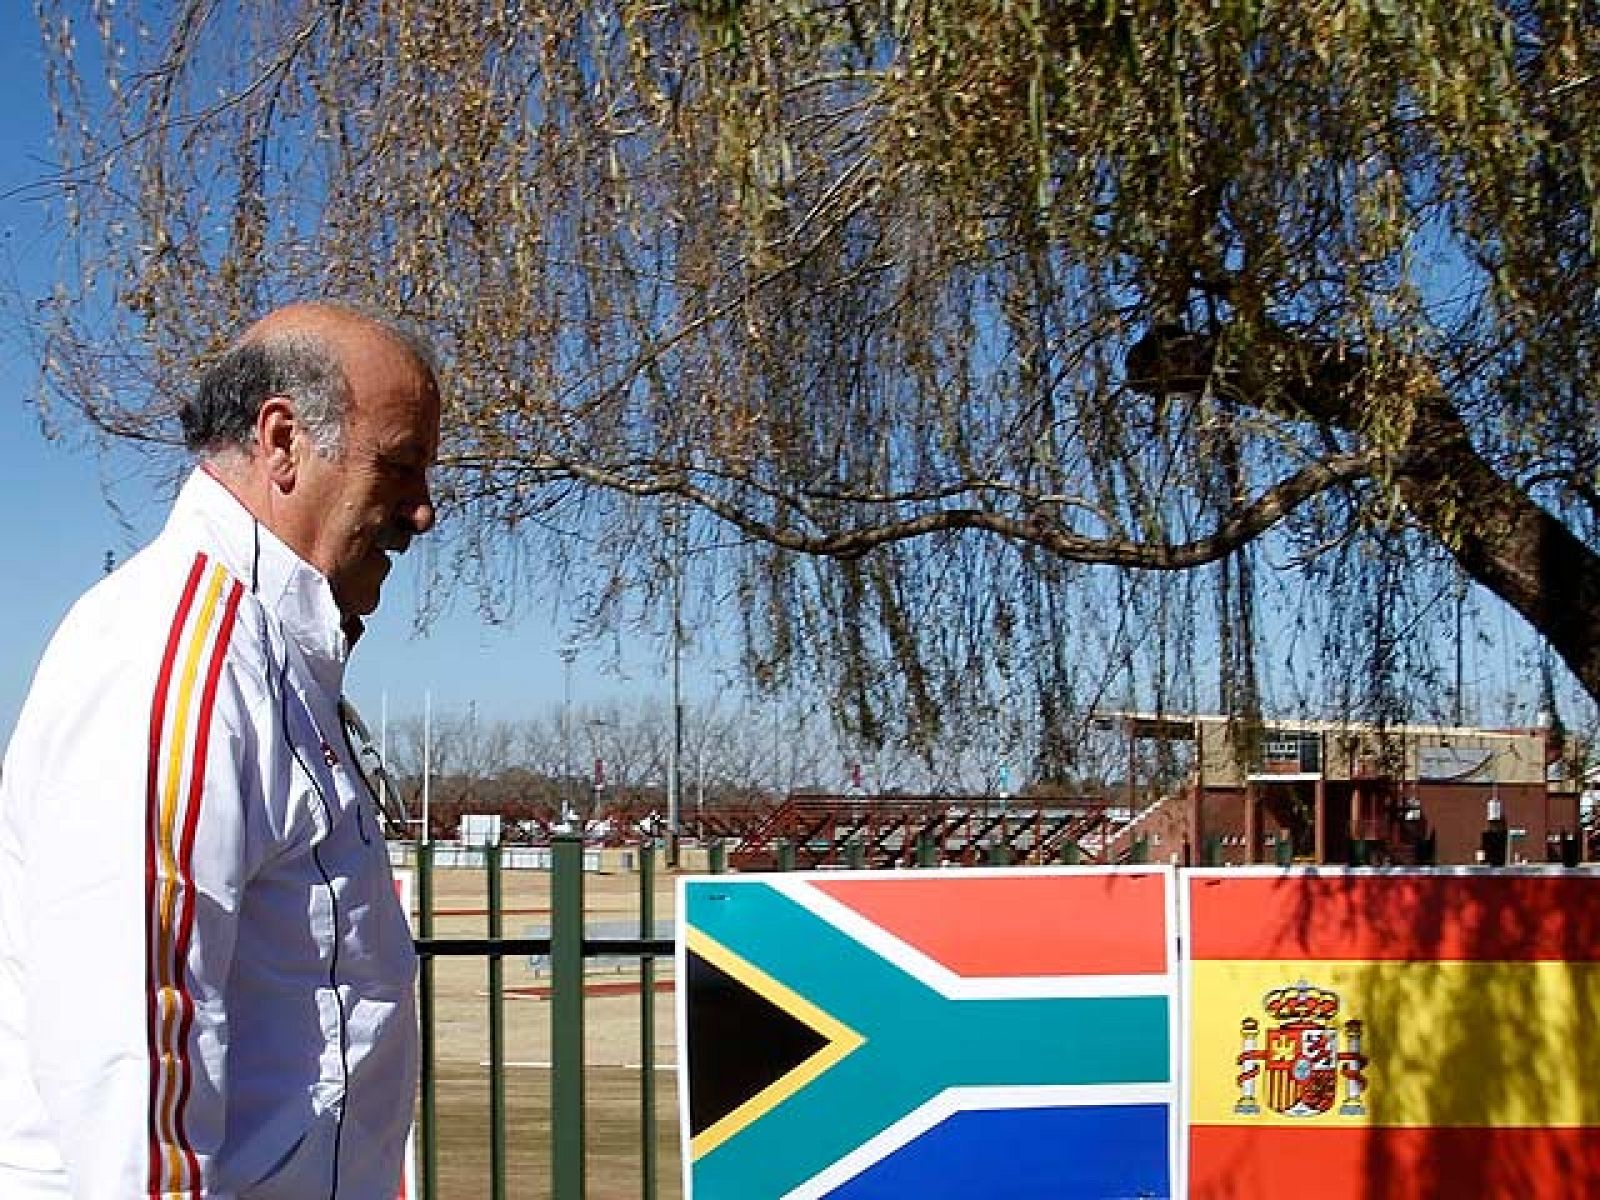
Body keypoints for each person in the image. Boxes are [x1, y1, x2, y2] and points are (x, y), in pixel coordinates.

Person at [0, 301, 442, 1198]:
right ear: (282, 442)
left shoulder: (269, 659)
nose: (422, 512)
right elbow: (132, 1064)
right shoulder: (180, 658)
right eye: (399, 467)